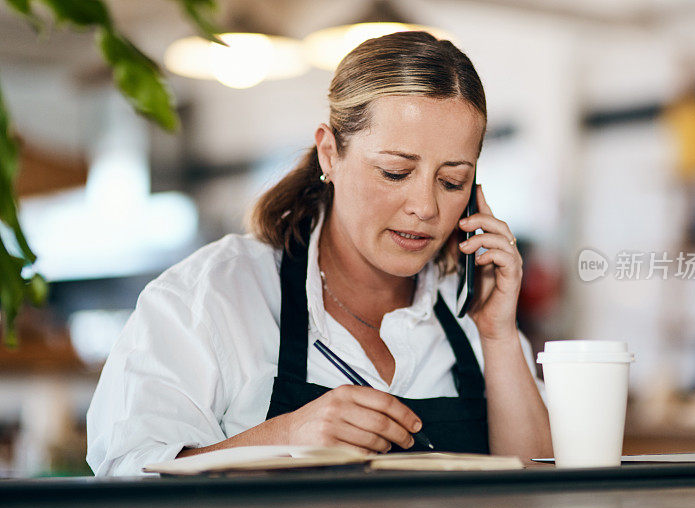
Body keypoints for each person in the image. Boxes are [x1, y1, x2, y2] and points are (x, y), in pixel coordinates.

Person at [86, 31, 552, 476]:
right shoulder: (213, 296)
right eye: (394, 172)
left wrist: (499, 336)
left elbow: (543, 497)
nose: (425, 207)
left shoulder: (470, 307)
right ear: (329, 153)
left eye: (452, 181)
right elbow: (127, 477)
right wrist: (284, 438)